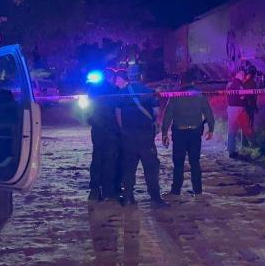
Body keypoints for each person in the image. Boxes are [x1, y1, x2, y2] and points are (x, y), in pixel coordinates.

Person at [114, 69, 166, 206]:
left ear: (129, 78)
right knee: (151, 167)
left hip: (128, 135)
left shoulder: (122, 93)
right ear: (141, 76)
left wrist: (123, 129)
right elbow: (156, 111)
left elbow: (118, 113)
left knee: (129, 167)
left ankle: (128, 197)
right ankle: (155, 198)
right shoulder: (148, 91)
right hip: (146, 135)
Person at [161, 71, 215, 195]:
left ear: (181, 82)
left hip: (179, 133)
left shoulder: (175, 95)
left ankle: (175, 191)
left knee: (178, 163)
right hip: (195, 133)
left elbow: (167, 116)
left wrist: (164, 133)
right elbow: (208, 113)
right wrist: (211, 129)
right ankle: (198, 190)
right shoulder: (199, 95)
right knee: (195, 163)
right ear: (193, 82)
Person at [87, 69, 121, 201]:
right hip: (111, 129)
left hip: (97, 129)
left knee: (96, 157)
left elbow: (87, 110)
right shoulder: (115, 89)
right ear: (112, 77)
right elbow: (119, 110)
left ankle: (94, 190)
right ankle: (108, 190)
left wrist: (90, 121)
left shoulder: (93, 90)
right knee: (109, 159)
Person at [225, 69, 252, 159]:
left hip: (230, 108)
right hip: (239, 108)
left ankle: (231, 150)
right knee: (245, 128)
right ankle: (251, 148)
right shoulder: (240, 85)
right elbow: (242, 96)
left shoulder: (229, 84)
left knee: (231, 130)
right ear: (241, 76)